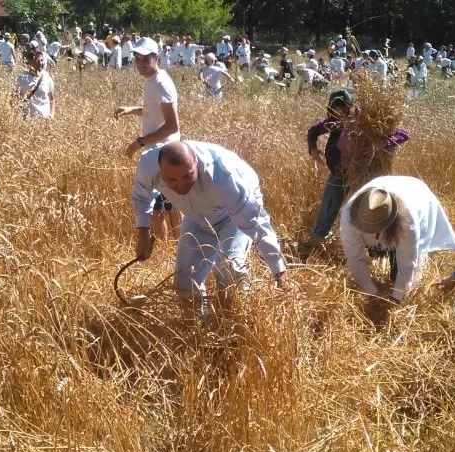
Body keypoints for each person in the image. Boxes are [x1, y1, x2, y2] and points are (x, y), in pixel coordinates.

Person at [131, 141, 294, 311]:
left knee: (229, 272)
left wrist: (280, 274)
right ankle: (200, 329)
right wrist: (142, 235)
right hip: (195, 219)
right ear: (160, 170)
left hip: (231, 217)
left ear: (196, 162)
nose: (181, 185)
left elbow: (257, 224)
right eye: (172, 180)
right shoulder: (148, 165)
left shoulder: (225, 178)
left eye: (188, 176)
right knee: (184, 282)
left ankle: (235, 327)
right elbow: (142, 198)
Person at [298, 90, 410, 259]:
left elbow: (402, 134)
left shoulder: (366, 120)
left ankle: (377, 249)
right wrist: (313, 149)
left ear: (350, 107)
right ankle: (316, 241)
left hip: (363, 176)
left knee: (367, 212)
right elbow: (313, 131)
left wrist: (380, 144)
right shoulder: (334, 122)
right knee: (328, 207)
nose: (338, 114)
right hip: (340, 173)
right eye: (334, 110)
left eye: (342, 109)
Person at [341, 176, 455, 315]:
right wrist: (372, 291)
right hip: (385, 187)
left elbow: (408, 263)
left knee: (398, 272)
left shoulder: (407, 222)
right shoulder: (349, 216)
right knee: (377, 253)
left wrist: (396, 297)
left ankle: (397, 279)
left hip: (417, 195)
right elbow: (354, 259)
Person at [114, 37, 183, 240]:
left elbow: (172, 125)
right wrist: (131, 109)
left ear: (156, 57)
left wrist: (140, 142)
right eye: (137, 59)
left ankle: (163, 255)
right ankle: (182, 248)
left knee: (156, 209)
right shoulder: (153, 81)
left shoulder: (161, 83)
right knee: (172, 205)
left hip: (162, 152)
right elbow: (154, 112)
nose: (140, 64)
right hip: (165, 151)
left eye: (145, 59)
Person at [15, 51, 55, 119]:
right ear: (30, 61)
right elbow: (14, 97)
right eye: (37, 61)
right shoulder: (22, 78)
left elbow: (52, 99)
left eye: (42, 60)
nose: (41, 63)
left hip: (44, 120)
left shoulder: (47, 78)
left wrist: (52, 114)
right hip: (27, 119)